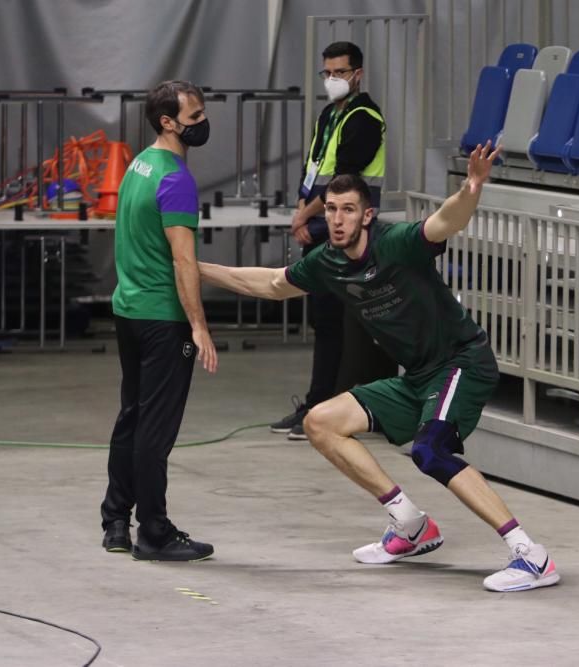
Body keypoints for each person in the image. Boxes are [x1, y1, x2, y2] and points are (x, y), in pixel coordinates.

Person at [200, 142, 559, 592]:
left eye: (348, 210)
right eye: (330, 209)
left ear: (366, 216)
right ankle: (410, 525)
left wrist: (472, 186)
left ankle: (532, 556)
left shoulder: (398, 244)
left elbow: (447, 219)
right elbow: (272, 284)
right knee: (320, 423)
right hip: (418, 377)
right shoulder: (327, 262)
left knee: (432, 452)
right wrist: (194, 268)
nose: (336, 218)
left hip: (460, 362)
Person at [100, 80, 218, 562]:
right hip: (160, 317)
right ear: (168, 122)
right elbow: (183, 260)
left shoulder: (138, 165)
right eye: (194, 116)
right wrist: (199, 325)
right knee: (156, 428)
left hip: (128, 309)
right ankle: (153, 530)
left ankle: (114, 521)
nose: (202, 122)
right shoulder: (175, 178)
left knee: (132, 415)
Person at [271, 40, 394, 441]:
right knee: (323, 320)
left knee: (342, 322)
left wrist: (306, 215)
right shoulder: (328, 115)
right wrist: (302, 209)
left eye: (340, 72)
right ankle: (316, 402)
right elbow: (313, 165)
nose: (332, 80)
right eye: (327, 73)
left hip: (347, 230)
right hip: (318, 223)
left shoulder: (364, 118)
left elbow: (344, 179)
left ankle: (333, 408)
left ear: (357, 73)